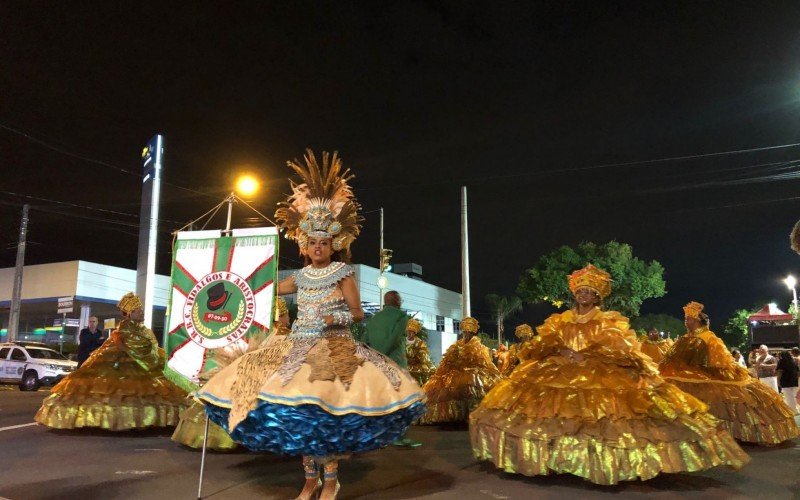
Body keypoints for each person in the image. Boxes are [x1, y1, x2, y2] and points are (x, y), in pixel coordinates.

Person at [196, 150, 426, 500]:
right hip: (296, 349)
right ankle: (309, 478)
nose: (318, 247)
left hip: (335, 349)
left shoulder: (344, 274)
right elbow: (266, 284)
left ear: (333, 245)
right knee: (298, 416)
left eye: (324, 242)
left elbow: (359, 314)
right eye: (313, 242)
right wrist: (241, 265)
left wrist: (339, 318)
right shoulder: (300, 277)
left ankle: (331, 479)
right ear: (305, 245)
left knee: (326, 417)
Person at [470, 266, 748, 485]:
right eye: (580, 290)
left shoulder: (607, 321)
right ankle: (557, 461)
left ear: (597, 296)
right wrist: (563, 353)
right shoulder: (561, 320)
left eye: (589, 291)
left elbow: (621, 350)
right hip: (559, 370)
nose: (583, 295)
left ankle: (603, 464)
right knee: (551, 419)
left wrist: (588, 357)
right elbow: (542, 346)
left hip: (599, 372)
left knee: (604, 421)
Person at [35, 292, 187, 430]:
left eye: (141, 309)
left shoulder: (142, 330)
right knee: (114, 390)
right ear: (130, 313)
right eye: (138, 310)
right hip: (122, 363)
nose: (142, 313)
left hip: (144, 361)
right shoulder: (122, 332)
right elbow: (131, 347)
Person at [660, 302, 799, 444]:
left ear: (697, 321)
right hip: (689, 375)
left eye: (688, 319)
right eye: (685, 319)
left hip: (709, 377)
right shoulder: (686, 339)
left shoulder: (708, 338)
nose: (686, 322)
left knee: (729, 402)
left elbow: (720, 363)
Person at [171, 297, 293, 450]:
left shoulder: (258, 330)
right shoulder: (283, 335)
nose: (288, 318)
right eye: (286, 314)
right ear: (279, 314)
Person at [418, 316, 502, 424]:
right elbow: (447, 362)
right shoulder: (456, 345)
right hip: (456, 373)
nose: (466, 334)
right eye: (465, 332)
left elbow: (484, 364)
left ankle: (471, 414)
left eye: (469, 332)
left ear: (473, 333)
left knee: (472, 382)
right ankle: (455, 415)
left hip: (472, 373)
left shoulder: (479, 347)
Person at [363, 291, 409, 368]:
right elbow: (395, 338)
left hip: (376, 364)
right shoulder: (401, 316)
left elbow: (364, 342)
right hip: (396, 362)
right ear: (397, 301)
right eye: (401, 300)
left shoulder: (373, 319)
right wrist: (382, 353)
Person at [405, 318, 435, 386]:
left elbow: (425, 358)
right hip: (403, 366)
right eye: (408, 331)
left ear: (415, 333)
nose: (409, 333)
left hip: (416, 369)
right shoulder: (401, 342)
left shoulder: (420, 343)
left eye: (411, 331)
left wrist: (433, 370)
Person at [776, 350, 799, 414]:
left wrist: (778, 381)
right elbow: (798, 371)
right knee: (793, 395)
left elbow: (779, 372)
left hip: (785, 381)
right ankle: (796, 409)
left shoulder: (781, 361)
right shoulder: (793, 361)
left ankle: (793, 410)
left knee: (789, 396)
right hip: (794, 381)